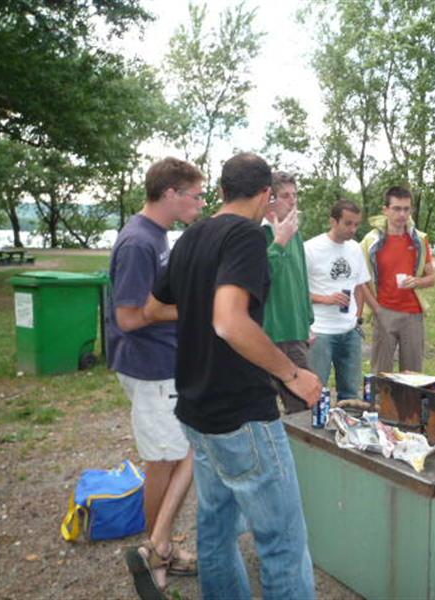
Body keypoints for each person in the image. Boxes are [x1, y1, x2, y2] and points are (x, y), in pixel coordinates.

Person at [143, 152, 321, 600]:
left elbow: (152, 308)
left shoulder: (189, 238)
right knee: (282, 544)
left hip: (197, 411)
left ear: (221, 191)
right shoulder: (246, 235)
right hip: (242, 414)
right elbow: (229, 322)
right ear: (264, 195)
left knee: (217, 531)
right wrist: (293, 374)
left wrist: (206, 308)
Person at [107, 157, 205, 597]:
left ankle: (160, 542)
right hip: (150, 369)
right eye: (196, 195)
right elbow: (128, 317)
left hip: (166, 363)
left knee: (180, 453)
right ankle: (156, 552)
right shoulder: (138, 242)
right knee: (166, 461)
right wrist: (195, 310)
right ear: (171, 194)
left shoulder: (158, 235)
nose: (201, 203)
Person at [360, 186, 435, 374]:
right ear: (385, 210)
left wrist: (417, 282)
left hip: (413, 314)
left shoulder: (419, 240)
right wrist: (376, 310)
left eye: (406, 209)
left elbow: (432, 278)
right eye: (396, 208)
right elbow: (360, 281)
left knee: (412, 376)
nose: (402, 214)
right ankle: (379, 404)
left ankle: (408, 404)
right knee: (381, 374)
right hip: (384, 311)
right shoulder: (371, 242)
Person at [305, 199, 371, 400]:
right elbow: (296, 293)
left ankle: (347, 430)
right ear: (333, 221)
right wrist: (326, 299)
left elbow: (360, 285)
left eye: (356, 224)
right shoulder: (310, 249)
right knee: (316, 393)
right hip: (320, 333)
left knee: (351, 394)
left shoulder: (355, 249)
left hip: (350, 333)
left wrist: (357, 318)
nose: (353, 229)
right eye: (348, 223)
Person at [262, 171, 315, 413]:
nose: (293, 201)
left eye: (295, 195)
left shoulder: (295, 234)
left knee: (304, 404)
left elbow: (301, 281)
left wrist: (308, 322)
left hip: (295, 332)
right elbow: (260, 278)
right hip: (267, 334)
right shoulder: (258, 233)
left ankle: (299, 451)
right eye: (285, 196)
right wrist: (278, 243)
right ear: (269, 198)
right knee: (262, 407)